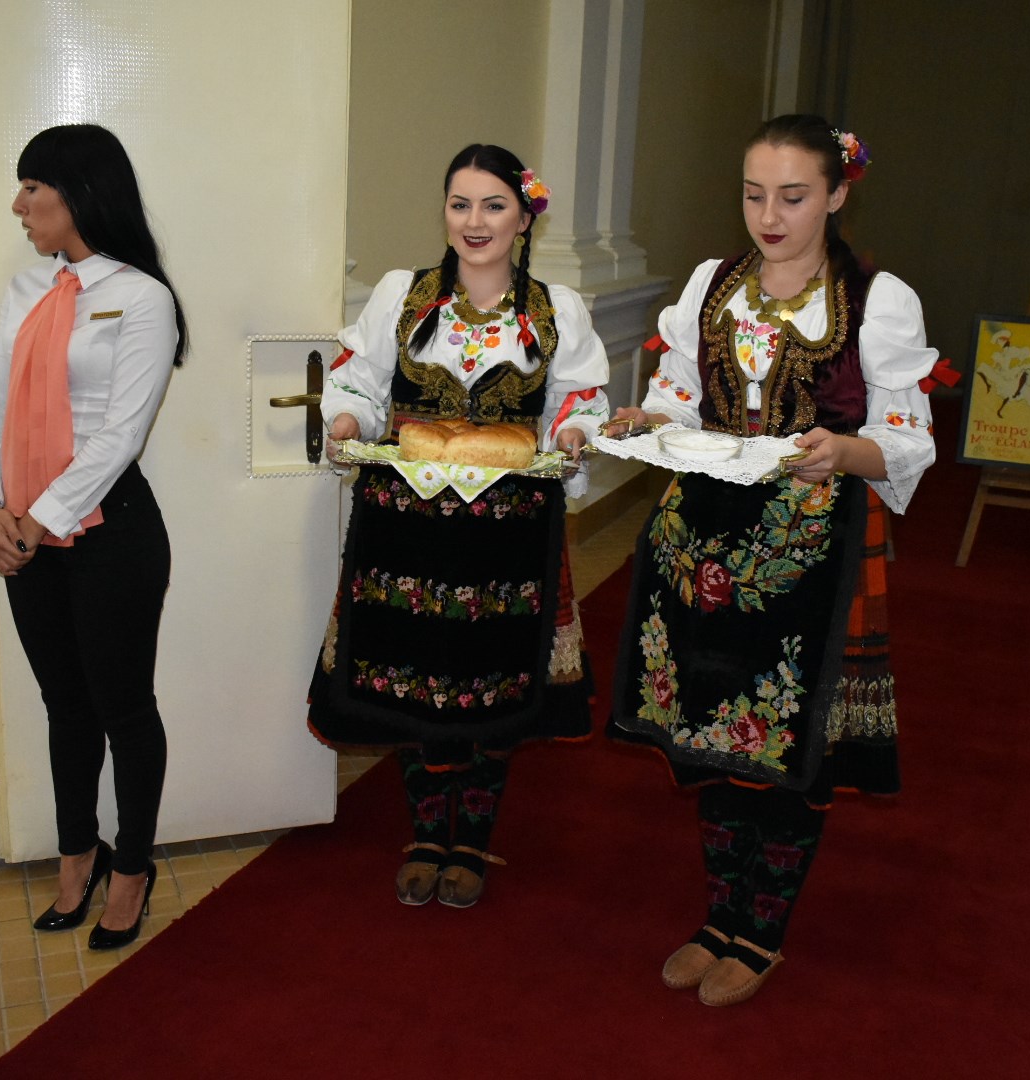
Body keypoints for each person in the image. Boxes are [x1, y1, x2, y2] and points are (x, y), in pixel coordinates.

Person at [605, 115, 936, 1006]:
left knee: (792, 739)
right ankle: (720, 917)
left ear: (836, 194)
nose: (769, 216)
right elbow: (682, 392)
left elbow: (908, 438)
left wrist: (844, 450)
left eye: (793, 196)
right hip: (705, 540)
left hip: (813, 549)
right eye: (755, 195)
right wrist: (650, 418)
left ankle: (762, 933)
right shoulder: (712, 285)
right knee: (712, 729)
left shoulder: (877, 301)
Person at [309, 144, 610, 909]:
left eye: (493, 205)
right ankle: (424, 834)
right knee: (415, 681)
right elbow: (357, 381)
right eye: (460, 204)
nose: (475, 221)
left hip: (510, 533)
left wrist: (574, 435)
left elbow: (578, 398)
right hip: (404, 527)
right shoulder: (403, 295)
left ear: (523, 217)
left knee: (492, 683)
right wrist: (346, 419)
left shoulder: (555, 309)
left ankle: (470, 838)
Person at [0, 124, 185, 950]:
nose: (19, 204)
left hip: (111, 532)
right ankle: (76, 855)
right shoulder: (27, 288)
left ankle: (131, 867)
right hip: (24, 530)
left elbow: (120, 434)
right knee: (65, 707)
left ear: (81, 193)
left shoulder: (143, 298)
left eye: (34, 187)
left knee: (123, 709)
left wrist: (36, 518)